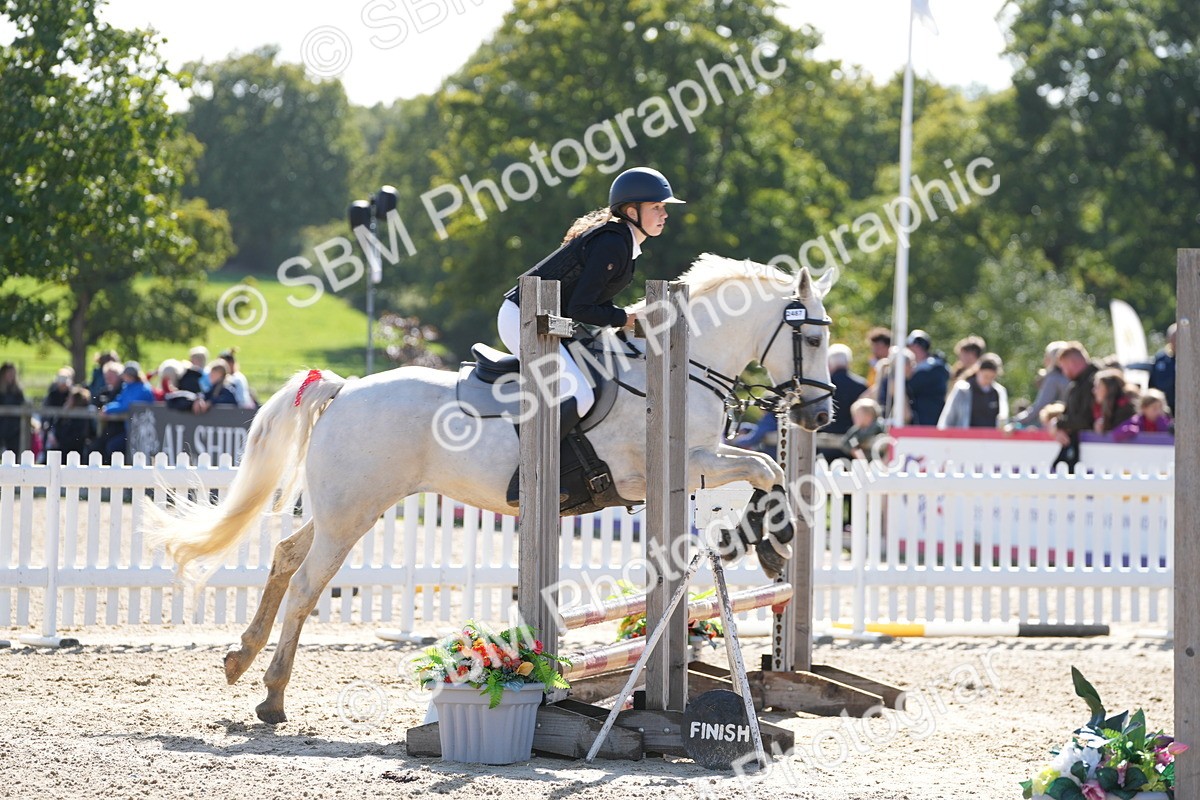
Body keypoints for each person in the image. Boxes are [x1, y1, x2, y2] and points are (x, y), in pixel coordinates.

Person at [497, 166, 684, 505]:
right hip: (525, 319)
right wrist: (626, 318)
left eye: (663, 206)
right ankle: (527, 477)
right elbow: (584, 308)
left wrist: (628, 322)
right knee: (580, 395)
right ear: (632, 211)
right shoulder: (613, 243)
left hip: (550, 321)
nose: (664, 213)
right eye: (656, 206)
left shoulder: (622, 244)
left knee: (601, 376)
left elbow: (588, 307)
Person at [1053, 342, 1102, 470]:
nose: (1063, 372)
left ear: (1073, 363)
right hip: (1081, 449)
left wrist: (1058, 424)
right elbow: (1068, 415)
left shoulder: (1096, 383)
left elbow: (1085, 420)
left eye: (1063, 367)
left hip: (1097, 452)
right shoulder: (1076, 385)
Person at [100, 362, 155, 460]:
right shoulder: (128, 387)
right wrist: (107, 408)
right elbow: (119, 401)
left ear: (130, 375)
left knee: (114, 447)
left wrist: (108, 409)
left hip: (142, 431)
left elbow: (127, 405)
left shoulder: (142, 389)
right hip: (131, 429)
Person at [1009, 341, 1071, 428]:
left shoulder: (1053, 379)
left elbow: (1039, 407)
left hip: (1052, 428)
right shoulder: (1070, 378)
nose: (1044, 360)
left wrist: (1014, 420)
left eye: (1046, 356)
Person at [938, 353, 1009, 429]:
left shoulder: (999, 392)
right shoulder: (962, 390)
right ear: (978, 371)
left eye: (992, 377)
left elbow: (1003, 419)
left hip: (991, 439)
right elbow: (948, 418)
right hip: (966, 438)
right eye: (985, 376)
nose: (988, 380)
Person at [904, 330, 949, 425]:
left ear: (917, 347)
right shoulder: (933, 368)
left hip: (928, 421)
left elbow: (910, 387)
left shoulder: (932, 369)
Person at [1091, 368, 1137, 434]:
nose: (1094, 391)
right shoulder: (1111, 408)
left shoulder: (1125, 408)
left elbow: (1118, 434)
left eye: (1098, 386)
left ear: (1109, 389)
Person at [1148, 323, 1176, 413]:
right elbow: (1152, 382)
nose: (1175, 341)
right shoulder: (1161, 358)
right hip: (1163, 407)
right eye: (1173, 337)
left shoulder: (1192, 358)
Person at [0, 362, 25, 454]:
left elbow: (22, 406)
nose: (11, 375)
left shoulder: (17, 391)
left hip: (14, 429)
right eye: (9, 373)